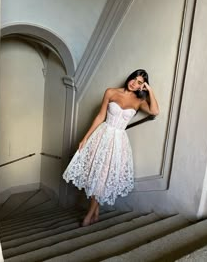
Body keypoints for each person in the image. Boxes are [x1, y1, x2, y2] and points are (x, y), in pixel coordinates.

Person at [63, 69, 159, 226]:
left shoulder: (139, 101)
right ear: (130, 78)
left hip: (119, 141)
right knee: (97, 174)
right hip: (103, 136)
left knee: (104, 176)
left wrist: (150, 90)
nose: (135, 83)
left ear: (143, 86)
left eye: (140, 82)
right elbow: (100, 116)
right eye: (134, 79)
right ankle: (93, 214)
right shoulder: (111, 92)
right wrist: (85, 138)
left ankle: (90, 215)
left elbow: (155, 111)